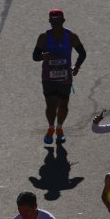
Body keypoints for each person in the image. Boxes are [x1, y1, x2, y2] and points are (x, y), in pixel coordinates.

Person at [33, 8, 86, 145]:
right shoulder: (44, 37)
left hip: (65, 77)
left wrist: (77, 66)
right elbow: (35, 56)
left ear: (63, 21)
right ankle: (51, 128)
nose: (55, 24)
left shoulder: (71, 36)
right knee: (50, 104)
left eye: (58, 21)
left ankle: (60, 128)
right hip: (48, 76)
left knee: (63, 105)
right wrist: (43, 56)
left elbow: (82, 53)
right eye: (53, 22)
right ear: (49, 22)